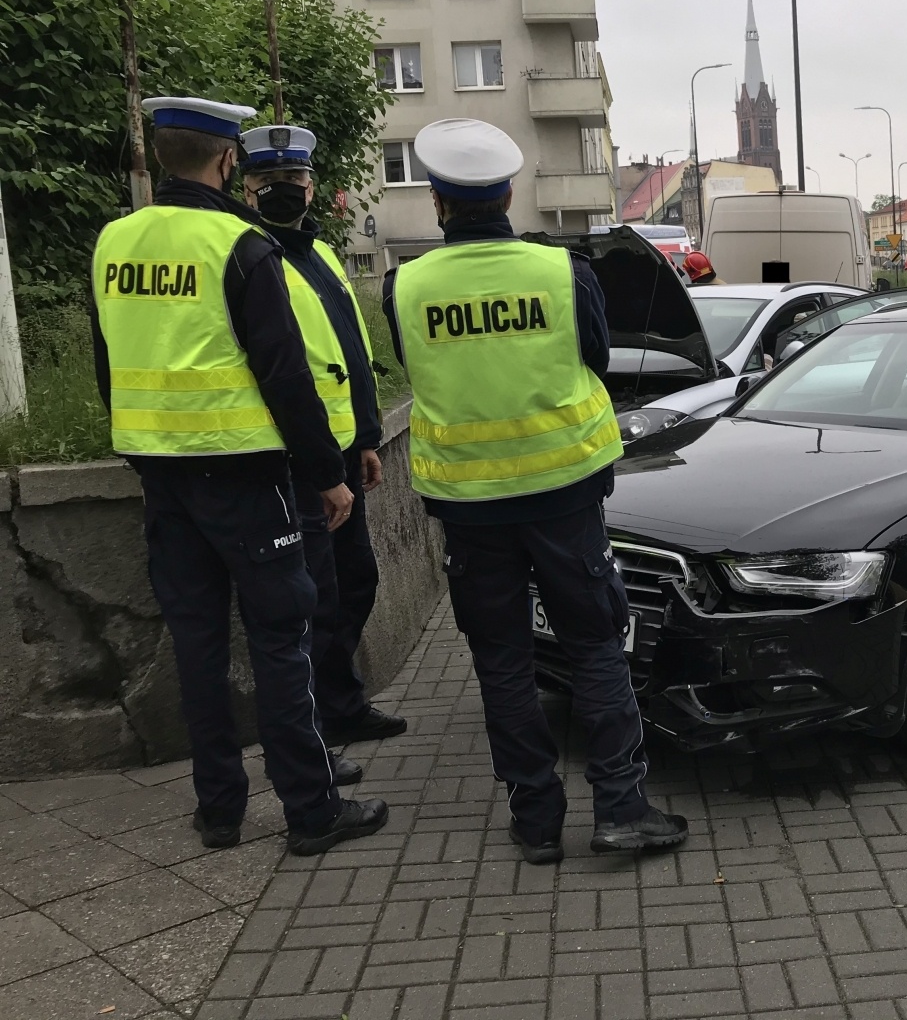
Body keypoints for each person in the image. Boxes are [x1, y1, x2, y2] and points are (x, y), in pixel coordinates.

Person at [382, 117, 687, 865]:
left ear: (437, 202)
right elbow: (593, 355)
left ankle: (535, 819)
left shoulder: (405, 285)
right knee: (594, 647)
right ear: (509, 193)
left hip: (468, 505)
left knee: (502, 658)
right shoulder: (561, 271)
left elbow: (417, 369)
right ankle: (620, 806)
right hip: (564, 493)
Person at [90, 97, 387, 856]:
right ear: (228, 163)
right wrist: (329, 475)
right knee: (281, 640)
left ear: (160, 157)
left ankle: (219, 810)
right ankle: (312, 811)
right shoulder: (241, 245)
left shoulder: (114, 241)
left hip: (163, 476)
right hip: (249, 477)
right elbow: (285, 375)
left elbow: (108, 367)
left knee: (197, 645)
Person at [240, 125, 404, 787]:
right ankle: (318, 737)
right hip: (297, 462)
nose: (284, 194)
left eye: (294, 184)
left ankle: (342, 704)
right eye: (269, 186)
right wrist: (323, 463)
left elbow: (349, 358)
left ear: (312, 189)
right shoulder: (250, 259)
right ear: (245, 188)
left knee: (353, 584)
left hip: (339, 453)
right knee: (312, 603)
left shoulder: (322, 256)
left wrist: (365, 437)